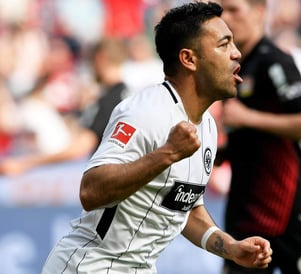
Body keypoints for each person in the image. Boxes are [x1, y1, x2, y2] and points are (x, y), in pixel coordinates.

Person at [41, 2, 272, 274]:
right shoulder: (144, 112)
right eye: (224, 45)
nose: (236, 53)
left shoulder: (207, 125)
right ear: (189, 59)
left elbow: (185, 207)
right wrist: (168, 154)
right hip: (90, 267)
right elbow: (90, 191)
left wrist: (230, 247)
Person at [218, 0, 301, 273]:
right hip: (247, 210)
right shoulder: (235, 66)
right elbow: (250, 139)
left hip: (286, 208)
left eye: (234, 9)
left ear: (259, 13)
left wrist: (247, 118)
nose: (225, 17)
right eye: (221, 9)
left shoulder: (273, 60)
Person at [0, 38, 129, 175]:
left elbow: (82, 146)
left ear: (101, 58)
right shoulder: (129, 97)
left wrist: (25, 164)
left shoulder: (110, 101)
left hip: (111, 180)